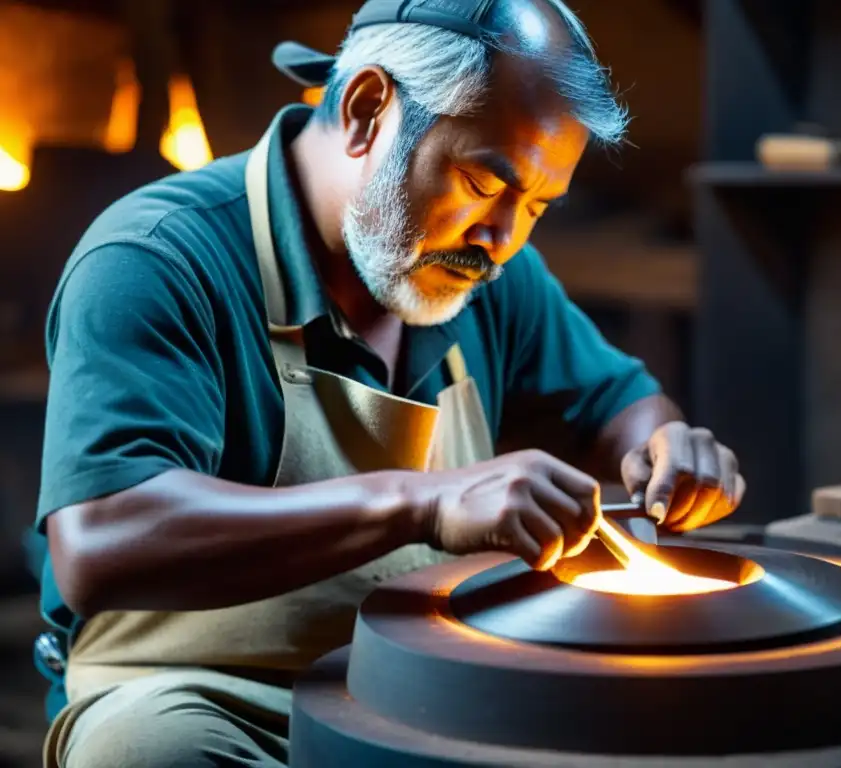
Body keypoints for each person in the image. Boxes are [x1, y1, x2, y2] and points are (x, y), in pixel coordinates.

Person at [36, 0, 744, 765]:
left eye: (537, 205)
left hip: (427, 684)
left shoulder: (486, 274)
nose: (502, 240)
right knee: (149, 754)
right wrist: (423, 501)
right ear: (368, 109)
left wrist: (664, 443)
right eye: (483, 182)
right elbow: (100, 542)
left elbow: (619, 403)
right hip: (206, 696)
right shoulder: (158, 259)